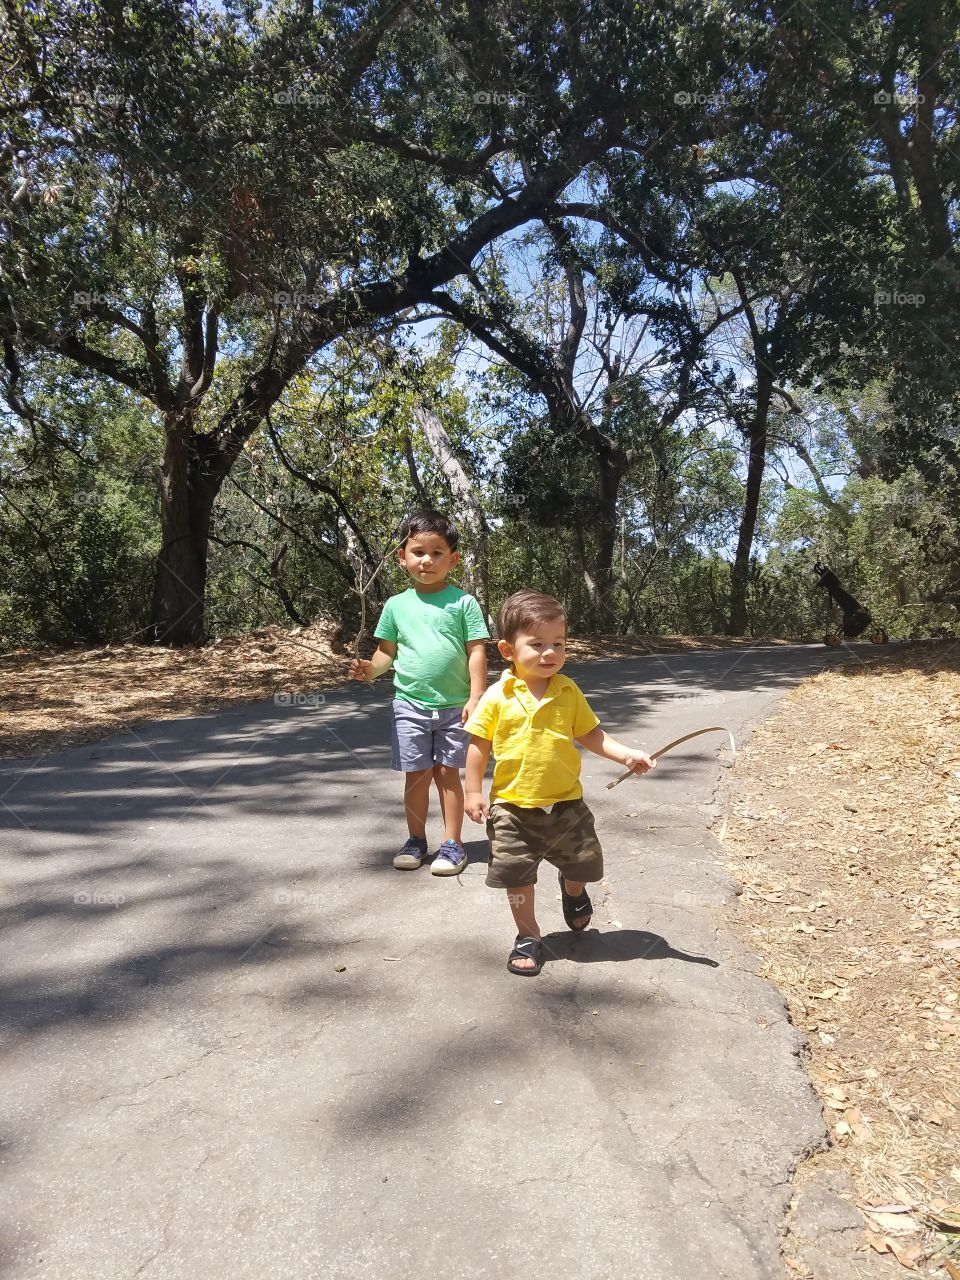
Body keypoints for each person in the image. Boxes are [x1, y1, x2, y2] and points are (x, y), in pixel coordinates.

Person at [463, 589, 654, 975]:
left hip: (566, 804)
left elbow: (592, 735)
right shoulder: (497, 696)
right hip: (512, 808)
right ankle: (528, 935)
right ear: (507, 649)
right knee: (516, 878)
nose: (550, 652)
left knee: (582, 865)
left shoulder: (568, 691)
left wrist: (627, 755)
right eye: (537, 644)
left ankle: (574, 890)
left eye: (558, 643)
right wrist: (472, 791)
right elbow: (478, 747)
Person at [350, 511, 489, 874]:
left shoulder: (463, 603)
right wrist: (370, 669)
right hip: (408, 704)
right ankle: (416, 840)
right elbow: (386, 653)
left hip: (456, 707)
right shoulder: (396, 605)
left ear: (453, 559)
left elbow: (477, 651)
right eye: (418, 551)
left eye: (438, 552)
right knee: (417, 775)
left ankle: (453, 844)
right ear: (402, 556)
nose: (427, 560)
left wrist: (476, 697)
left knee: (447, 774)